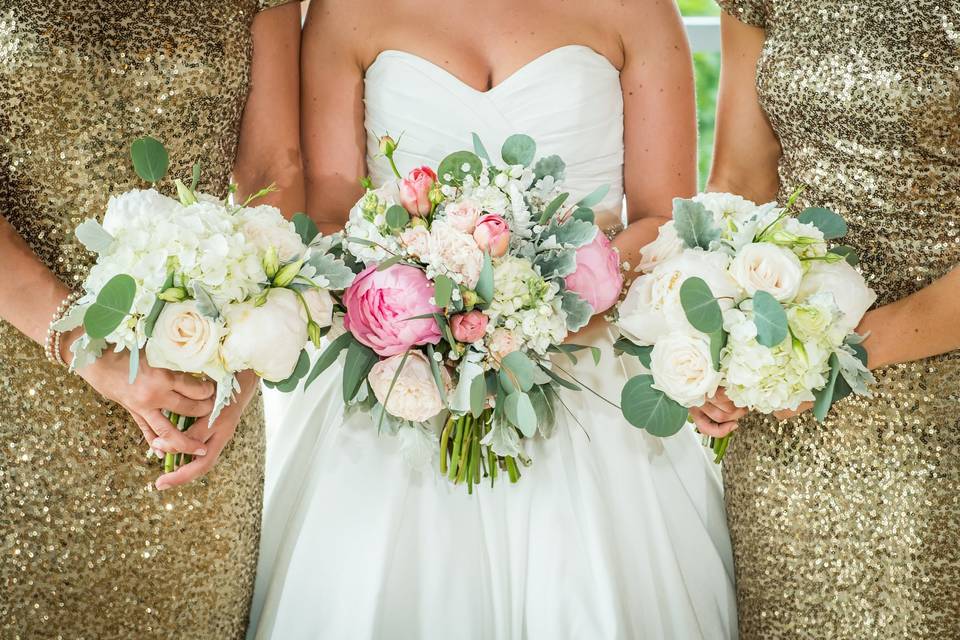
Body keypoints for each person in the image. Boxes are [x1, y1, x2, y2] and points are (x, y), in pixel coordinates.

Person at [250, 1, 740, 637]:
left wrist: (532, 295)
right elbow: (334, 216)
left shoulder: (637, 9)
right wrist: (436, 299)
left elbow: (660, 215)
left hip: (592, 372)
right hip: (403, 369)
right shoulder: (347, 10)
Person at [0, 2, 302, 637]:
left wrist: (243, 360)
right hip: (19, 398)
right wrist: (80, 339)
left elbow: (275, 168)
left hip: (198, 401)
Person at [709, 1, 960, 637]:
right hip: (783, 414)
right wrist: (713, 334)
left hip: (937, 398)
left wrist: (832, 354)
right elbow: (742, 173)